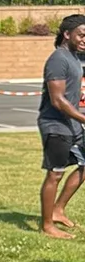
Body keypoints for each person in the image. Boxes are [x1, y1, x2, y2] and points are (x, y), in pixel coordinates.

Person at [37, 14, 85, 237]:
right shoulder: (58, 59)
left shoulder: (74, 57)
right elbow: (57, 100)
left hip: (72, 124)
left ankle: (58, 210)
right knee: (54, 174)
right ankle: (47, 225)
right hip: (55, 125)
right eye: (81, 35)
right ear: (67, 34)